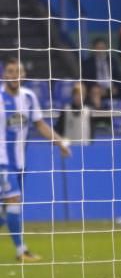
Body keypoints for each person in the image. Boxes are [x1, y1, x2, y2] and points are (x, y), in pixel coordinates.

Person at [1, 60, 70, 262]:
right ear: (5, 74)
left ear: (24, 75)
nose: (15, 75)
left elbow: (40, 124)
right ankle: (21, 251)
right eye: (11, 71)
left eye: (19, 71)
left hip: (20, 162)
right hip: (2, 161)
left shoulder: (29, 98)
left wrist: (60, 142)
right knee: (14, 201)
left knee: (5, 211)